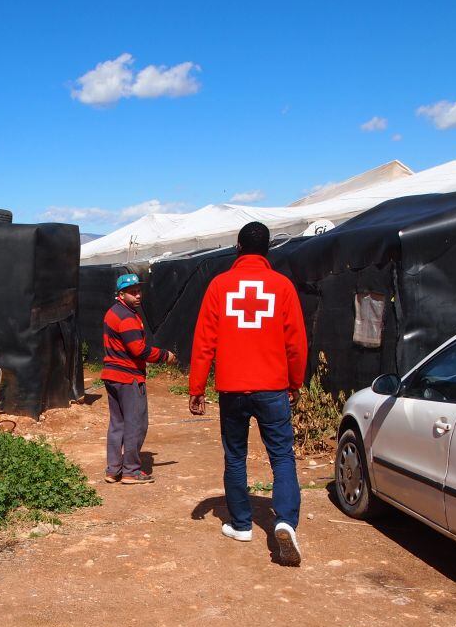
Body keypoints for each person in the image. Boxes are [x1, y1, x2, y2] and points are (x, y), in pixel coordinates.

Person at [188, 222, 307, 566]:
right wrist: (295, 383)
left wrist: (197, 387)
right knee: (281, 457)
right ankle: (285, 522)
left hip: (233, 388)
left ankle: (241, 525)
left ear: (238, 247)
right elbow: (296, 342)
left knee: (236, 456)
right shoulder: (282, 286)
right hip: (273, 388)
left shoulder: (219, 285)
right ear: (268, 248)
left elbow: (204, 340)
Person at [102, 273, 176, 484]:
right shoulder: (127, 317)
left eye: (138, 291)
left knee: (117, 424)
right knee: (136, 424)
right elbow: (138, 350)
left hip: (112, 375)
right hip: (128, 377)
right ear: (121, 294)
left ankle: (113, 469)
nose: (137, 295)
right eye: (131, 292)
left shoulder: (113, 312)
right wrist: (165, 356)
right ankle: (131, 471)